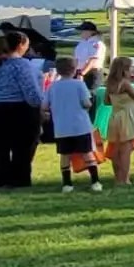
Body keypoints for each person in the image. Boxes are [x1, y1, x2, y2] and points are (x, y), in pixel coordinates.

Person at [0, 30, 45, 187]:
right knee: (23, 147)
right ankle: (19, 179)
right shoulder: (21, 64)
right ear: (21, 45)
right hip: (17, 108)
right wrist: (39, 105)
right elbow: (31, 92)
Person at [46, 57, 104, 193]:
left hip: (61, 127)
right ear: (74, 70)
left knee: (64, 155)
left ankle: (67, 184)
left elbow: (44, 105)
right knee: (87, 153)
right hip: (80, 126)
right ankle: (95, 181)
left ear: (58, 71)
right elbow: (86, 103)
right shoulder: (79, 84)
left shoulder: (53, 86)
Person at [104, 56, 134, 187]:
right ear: (124, 70)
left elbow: (107, 101)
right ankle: (125, 179)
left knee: (116, 149)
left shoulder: (110, 83)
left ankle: (118, 177)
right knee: (126, 150)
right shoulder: (125, 84)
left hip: (116, 116)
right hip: (128, 118)